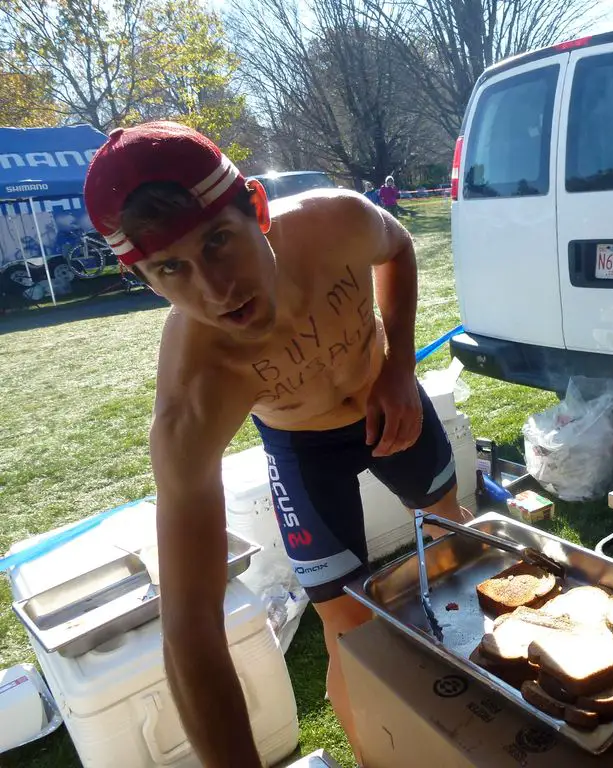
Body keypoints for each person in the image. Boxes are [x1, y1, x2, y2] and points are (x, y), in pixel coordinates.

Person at [82, 122, 470, 767]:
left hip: (389, 401)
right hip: (303, 451)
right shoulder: (196, 389)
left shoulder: (334, 221)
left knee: (454, 546)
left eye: (219, 242)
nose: (215, 290)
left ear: (257, 209)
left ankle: (487, 707)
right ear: (145, 280)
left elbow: (397, 248)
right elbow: (191, 625)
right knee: (346, 626)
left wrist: (399, 368)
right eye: (171, 268)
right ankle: (382, 756)